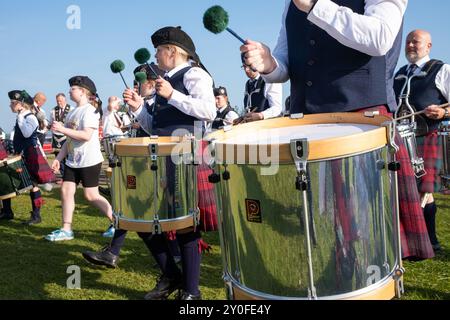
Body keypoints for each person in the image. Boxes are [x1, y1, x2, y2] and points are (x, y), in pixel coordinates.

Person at [240, 0, 434, 260]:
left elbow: (379, 37)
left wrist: (315, 5)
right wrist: (269, 63)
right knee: (326, 224)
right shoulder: (292, 4)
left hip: (362, 122)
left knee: (370, 233)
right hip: (309, 124)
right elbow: (286, 64)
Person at [85, 26, 217, 300]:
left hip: (185, 155)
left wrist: (171, 95)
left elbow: (208, 110)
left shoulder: (195, 74)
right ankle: (171, 276)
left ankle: (191, 292)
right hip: (159, 157)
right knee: (141, 220)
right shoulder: (165, 79)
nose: (156, 56)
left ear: (172, 51)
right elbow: (154, 124)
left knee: (185, 226)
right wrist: (137, 108)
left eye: (159, 50)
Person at [394, 29, 450, 252]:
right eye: (408, 42)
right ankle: (429, 240)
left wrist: (444, 113)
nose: (410, 46)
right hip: (402, 139)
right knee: (415, 191)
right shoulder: (399, 73)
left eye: (415, 42)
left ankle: (420, 242)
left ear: (428, 46)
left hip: (428, 138)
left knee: (421, 191)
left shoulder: (441, 69)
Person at [46, 76, 115, 241]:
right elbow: (69, 141)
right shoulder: (73, 112)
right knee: (66, 190)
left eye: (73, 88)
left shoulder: (90, 111)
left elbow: (85, 135)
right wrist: (59, 158)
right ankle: (66, 229)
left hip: (89, 160)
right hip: (73, 160)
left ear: (83, 91)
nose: (70, 91)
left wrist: (63, 129)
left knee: (91, 195)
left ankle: (117, 222)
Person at [4, 90, 55, 225]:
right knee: (30, 184)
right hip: (23, 153)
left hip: (31, 153)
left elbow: (27, 134)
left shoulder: (29, 117)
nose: (10, 106)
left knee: (33, 184)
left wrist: (21, 116)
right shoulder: (23, 116)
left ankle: (37, 215)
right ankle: (29, 214)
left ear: (20, 104)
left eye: (12, 103)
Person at [49, 93, 72, 180]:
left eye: (61, 101)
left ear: (65, 100)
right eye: (57, 101)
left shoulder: (72, 109)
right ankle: (64, 177)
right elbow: (51, 123)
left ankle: (71, 177)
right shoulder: (53, 111)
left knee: (69, 157)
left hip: (67, 135)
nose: (59, 103)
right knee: (59, 157)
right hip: (56, 137)